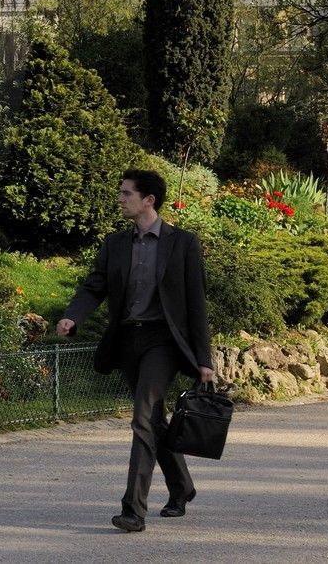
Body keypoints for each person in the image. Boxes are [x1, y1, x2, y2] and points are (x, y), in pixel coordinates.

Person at [57, 168, 215, 533]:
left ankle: (133, 510)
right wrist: (72, 318)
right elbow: (94, 287)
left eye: (127, 193)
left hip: (164, 341)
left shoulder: (183, 243)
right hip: (128, 341)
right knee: (154, 420)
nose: (121, 198)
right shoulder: (115, 243)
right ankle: (183, 487)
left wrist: (203, 360)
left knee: (142, 418)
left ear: (149, 200)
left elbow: (196, 304)